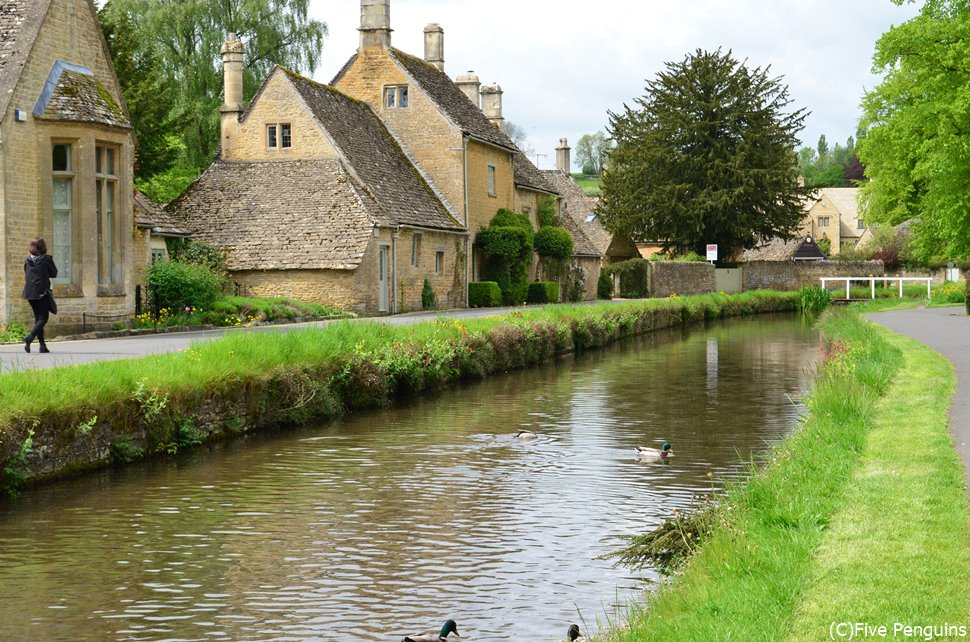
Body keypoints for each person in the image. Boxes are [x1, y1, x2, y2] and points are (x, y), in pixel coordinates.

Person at [22, 236, 57, 353]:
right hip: (41, 292)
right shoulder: (46, 259)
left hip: (29, 292)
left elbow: (27, 273)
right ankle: (30, 337)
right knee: (43, 318)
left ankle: (42, 346)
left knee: (38, 318)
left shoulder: (27, 260)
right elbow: (54, 273)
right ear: (43, 247)